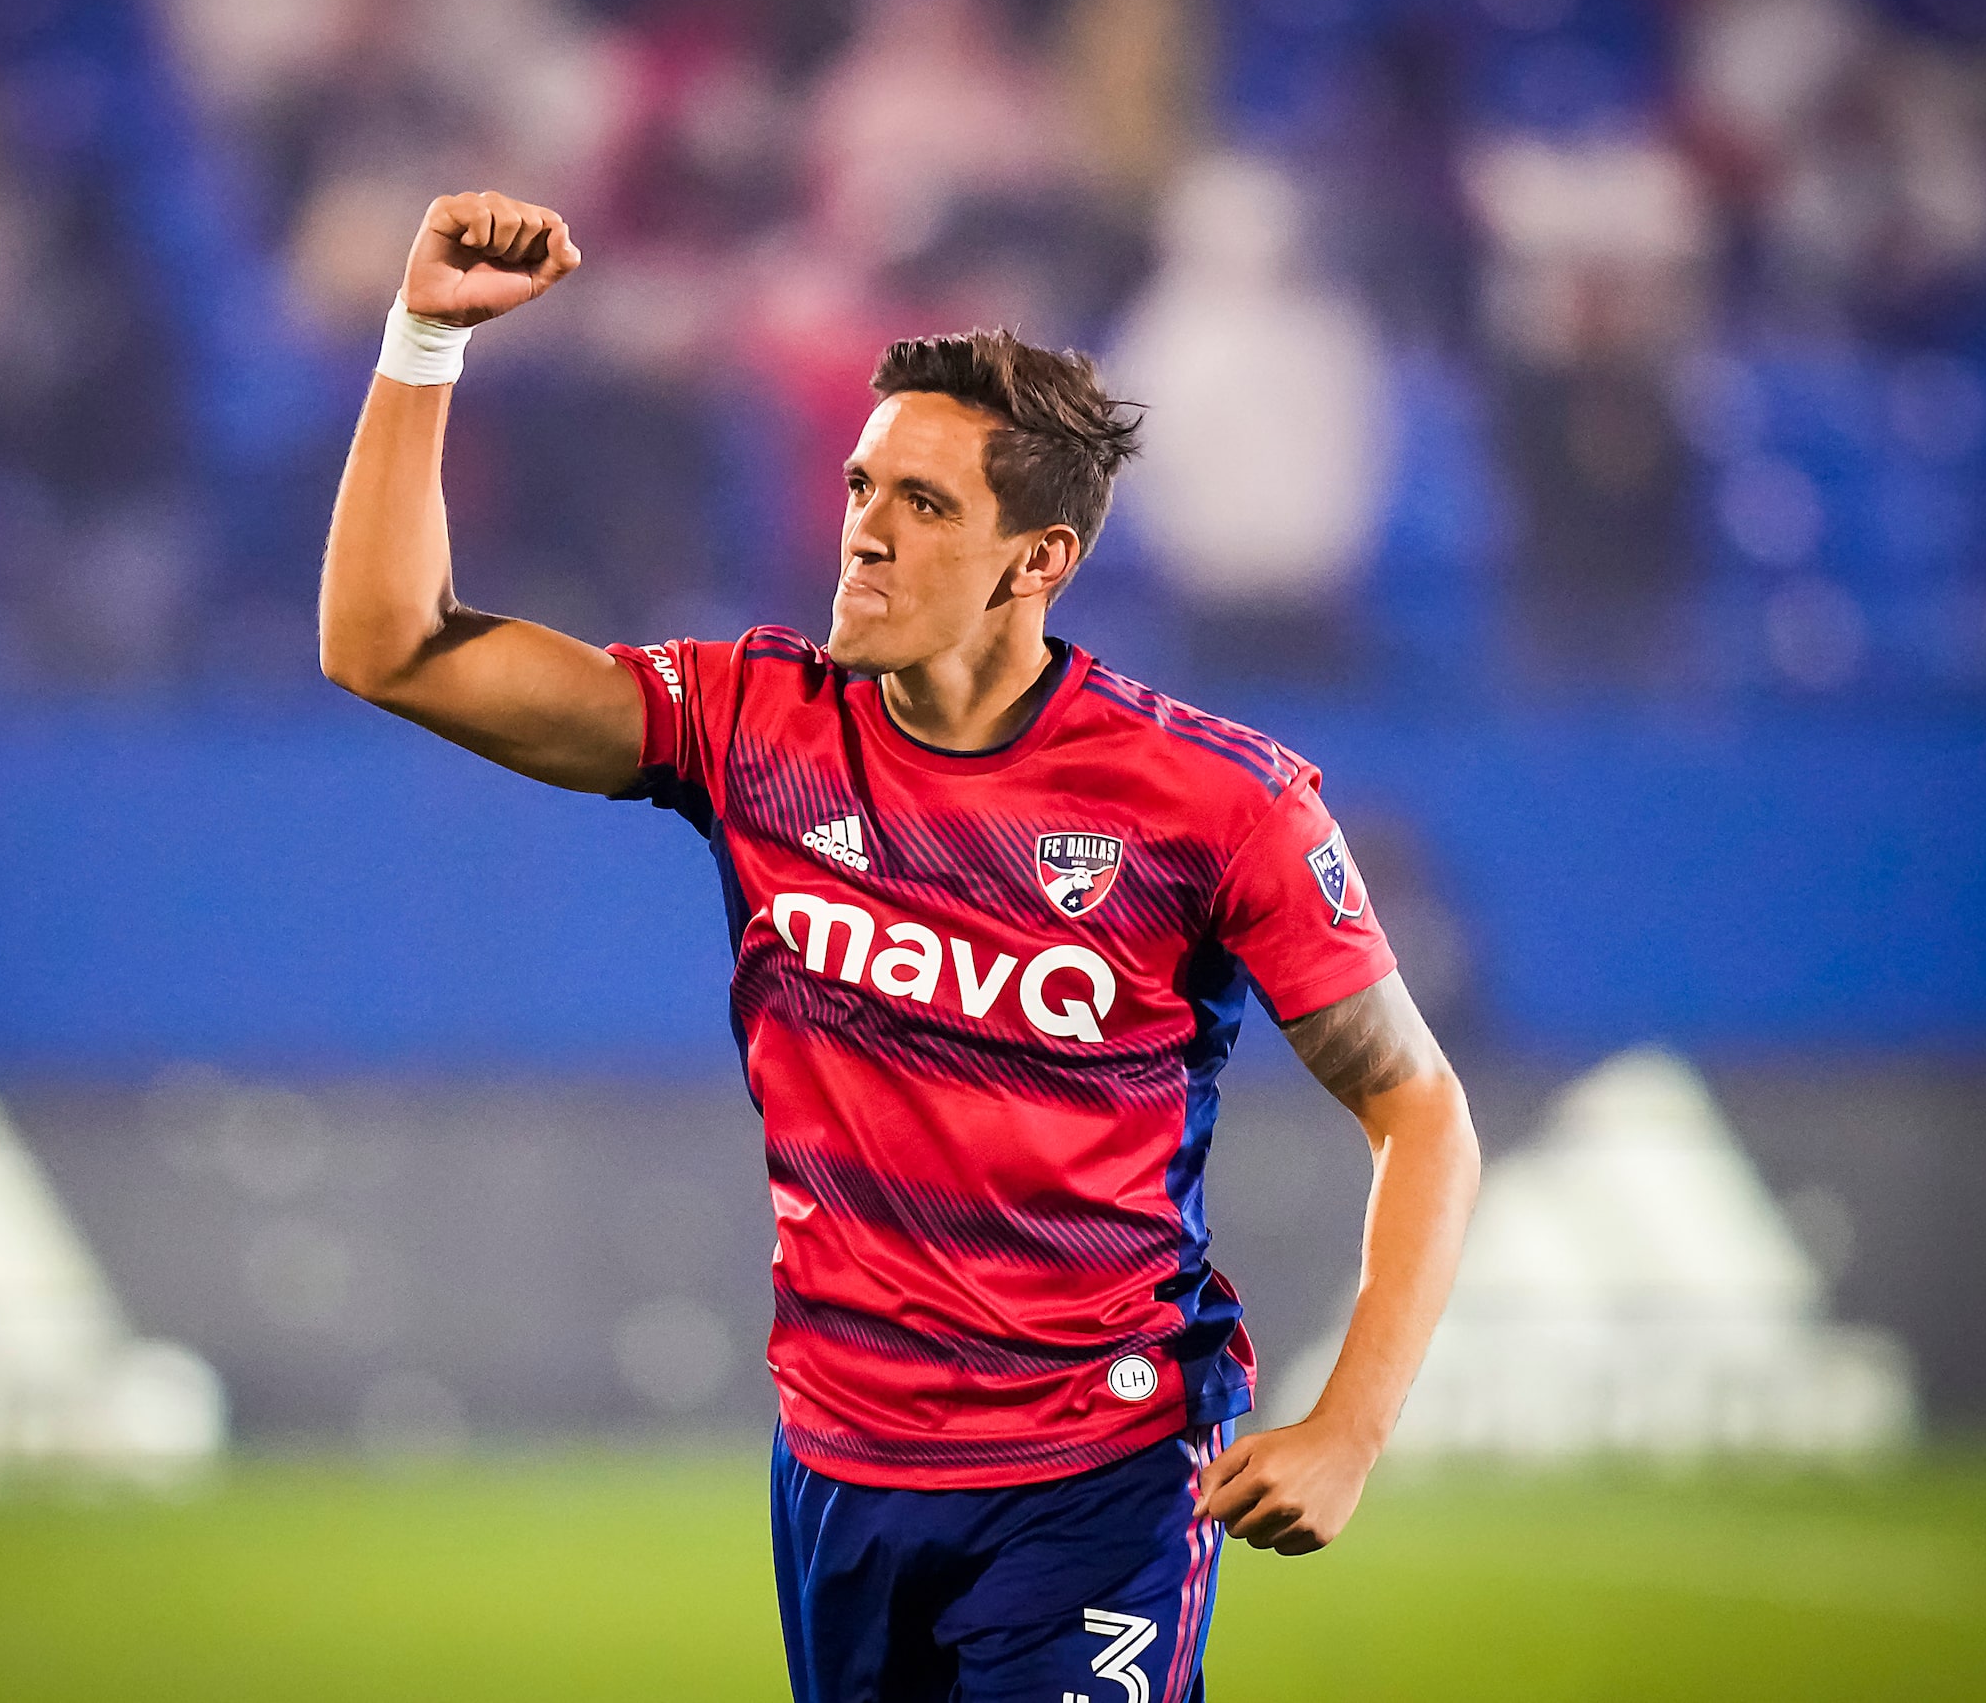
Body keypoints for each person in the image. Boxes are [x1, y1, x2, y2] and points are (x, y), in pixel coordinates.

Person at [319, 190, 1480, 1702]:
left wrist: (1346, 1429)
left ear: (1036, 558)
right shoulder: (750, 723)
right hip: (841, 1462)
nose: (863, 525)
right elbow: (384, 644)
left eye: (924, 503)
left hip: (1099, 1472)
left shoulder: (1218, 804)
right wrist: (422, 343)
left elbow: (1421, 1111)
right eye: (864, 483)